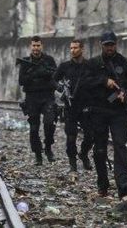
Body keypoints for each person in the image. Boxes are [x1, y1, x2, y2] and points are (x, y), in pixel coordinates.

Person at [82, 31, 127, 204]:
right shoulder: (93, 64)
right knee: (100, 149)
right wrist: (103, 81)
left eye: (112, 44)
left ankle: (124, 183)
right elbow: (84, 83)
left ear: (116, 44)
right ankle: (103, 183)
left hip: (118, 112)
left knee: (120, 145)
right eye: (106, 44)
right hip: (98, 111)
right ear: (101, 45)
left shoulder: (126, 64)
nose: (109, 47)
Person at [54, 38, 94, 176]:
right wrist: (61, 89)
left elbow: (96, 82)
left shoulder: (90, 66)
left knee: (90, 136)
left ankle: (83, 154)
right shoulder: (65, 66)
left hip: (86, 107)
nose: (73, 50)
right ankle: (72, 165)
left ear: (82, 49)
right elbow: (53, 80)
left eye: (75, 48)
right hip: (70, 107)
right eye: (71, 48)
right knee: (71, 137)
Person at [17, 35, 58, 165]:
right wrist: (35, 73)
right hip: (32, 98)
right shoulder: (25, 61)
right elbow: (21, 81)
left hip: (47, 97)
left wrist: (44, 73)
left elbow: (55, 76)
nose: (36, 48)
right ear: (31, 46)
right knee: (34, 129)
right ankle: (38, 155)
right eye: (34, 45)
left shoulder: (49, 60)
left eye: (38, 45)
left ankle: (48, 147)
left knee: (49, 123)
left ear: (42, 46)